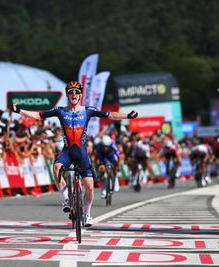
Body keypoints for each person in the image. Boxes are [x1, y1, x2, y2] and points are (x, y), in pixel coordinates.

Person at [11, 80, 138, 227]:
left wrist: (127, 116)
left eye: (77, 92)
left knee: (89, 187)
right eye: (71, 92)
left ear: (81, 95)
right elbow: (39, 115)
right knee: (57, 168)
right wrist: (20, 110)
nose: (74, 94)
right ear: (67, 95)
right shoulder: (60, 111)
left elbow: (109, 115)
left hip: (82, 152)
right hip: (67, 151)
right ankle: (66, 198)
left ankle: (88, 214)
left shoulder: (88, 110)